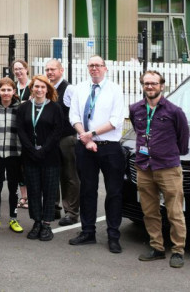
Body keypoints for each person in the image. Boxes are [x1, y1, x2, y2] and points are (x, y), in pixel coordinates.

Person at [68, 56, 127, 254]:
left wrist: (91, 134)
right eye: (91, 65)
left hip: (109, 147)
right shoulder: (80, 88)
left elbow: (116, 121)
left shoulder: (115, 89)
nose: (94, 68)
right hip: (85, 147)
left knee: (114, 192)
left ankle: (113, 235)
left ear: (105, 68)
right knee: (87, 190)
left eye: (98, 65)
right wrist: (86, 139)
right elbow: (74, 116)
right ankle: (87, 232)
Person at [130, 70, 189, 267]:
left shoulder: (174, 111)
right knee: (150, 211)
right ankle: (157, 247)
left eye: (154, 83)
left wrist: (168, 153)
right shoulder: (136, 109)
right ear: (143, 86)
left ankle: (178, 250)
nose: (150, 87)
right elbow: (140, 132)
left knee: (174, 212)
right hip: (144, 167)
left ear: (161, 86)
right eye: (146, 83)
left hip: (168, 168)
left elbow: (183, 139)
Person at [17, 75, 63, 242]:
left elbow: (57, 131)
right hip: (30, 157)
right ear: (32, 88)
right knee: (34, 191)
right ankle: (36, 222)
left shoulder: (55, 108)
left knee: (49, 192)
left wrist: (43, 150)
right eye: (36, 86)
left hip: (50, 157)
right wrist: (31, 149)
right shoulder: (24, 108)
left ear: (48, 90)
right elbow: (21, 130)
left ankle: (46, 224)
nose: (39, 90)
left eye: (43, 87)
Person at [44, 58, 79, 226]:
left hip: (66, 138)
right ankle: (54, 208)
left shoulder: (69, 89)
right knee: (52, 174)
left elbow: (75, 113)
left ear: (61, 70)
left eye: (53, 69)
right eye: (47, 69)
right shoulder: (46, 89)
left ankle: (71, 213)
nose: (50, 72)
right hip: (50, 140)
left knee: (69, 176)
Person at [0, 77, 23, 234]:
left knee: (13, 188)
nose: (6, 93)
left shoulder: (21, 108)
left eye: (9, 90)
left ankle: (13, 218)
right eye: (3, 90)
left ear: (14, 92)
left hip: (15, 153)